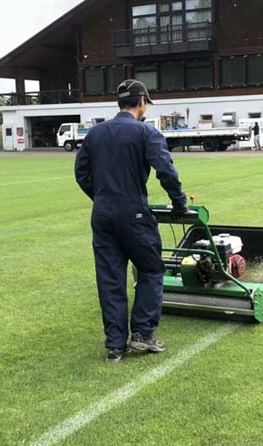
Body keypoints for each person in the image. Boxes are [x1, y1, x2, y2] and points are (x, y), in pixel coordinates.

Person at [75, 79, 187, 364]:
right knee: (151, 268)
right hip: (134, 212)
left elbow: (82, 173)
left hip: (102, 213)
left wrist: (102, 198)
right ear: (141, 102)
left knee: (110, 279)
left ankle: (114, 345)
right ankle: (142, 334)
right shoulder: (145, 133)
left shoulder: (95, 134)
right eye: (146, 103)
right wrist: (179, 203)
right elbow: (166, 171)